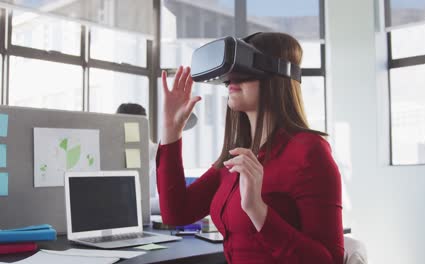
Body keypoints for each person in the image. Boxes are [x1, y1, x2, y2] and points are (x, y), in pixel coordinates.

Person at [156, 32, 344, 264]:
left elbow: (330, 261)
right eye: (229, 73)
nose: (230, 79)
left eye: (242, 70)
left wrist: (257, 210)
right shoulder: (237, 155)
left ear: (276, 75)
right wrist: (170, 131)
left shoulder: (309, 153)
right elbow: (176, 212)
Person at [116, 103, 197, 214]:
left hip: (150, 220)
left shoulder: (159, 153)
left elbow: (170, 202)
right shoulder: (114, 155)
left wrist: (132, 205)